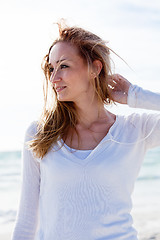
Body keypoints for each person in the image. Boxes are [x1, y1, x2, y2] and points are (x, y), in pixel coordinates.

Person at [11, 22, 160, 240]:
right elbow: (26, 221)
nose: (54, 78)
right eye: (52, 68)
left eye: (64, 66)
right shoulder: (40, 134)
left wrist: (135, 96)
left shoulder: (135, 129)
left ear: (95, 68)